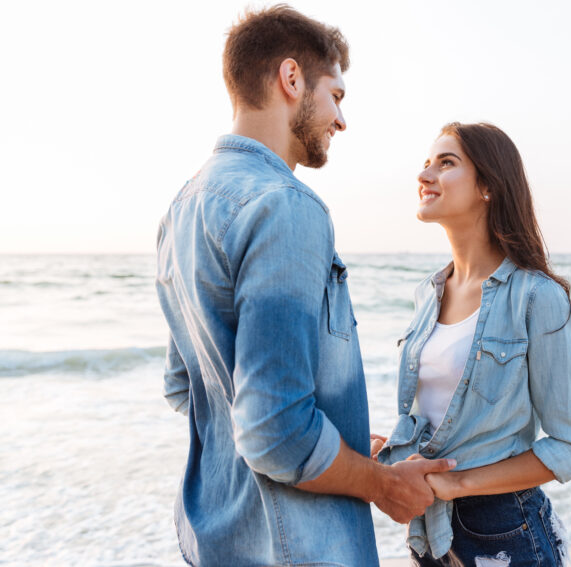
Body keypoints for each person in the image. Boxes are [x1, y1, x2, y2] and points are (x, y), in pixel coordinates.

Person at [155, 6, 454, 566]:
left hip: (216, 543)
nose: (341, 120)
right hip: (301, 548)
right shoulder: (286, 207)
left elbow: (186, 388)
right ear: (291, 80)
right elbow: (273, 430)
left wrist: (335, 445)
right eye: (337, 96)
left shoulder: (180, 211)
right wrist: (381, 484)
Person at [375, 122, 571, 565]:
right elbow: (444, 416)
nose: (425, 175)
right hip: (429, 528)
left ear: (488, 187)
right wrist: (391, 451)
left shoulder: (537, 297)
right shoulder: (427, 294)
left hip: (504, 530)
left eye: (446, 163)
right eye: (425, 163)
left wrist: (457, 483)